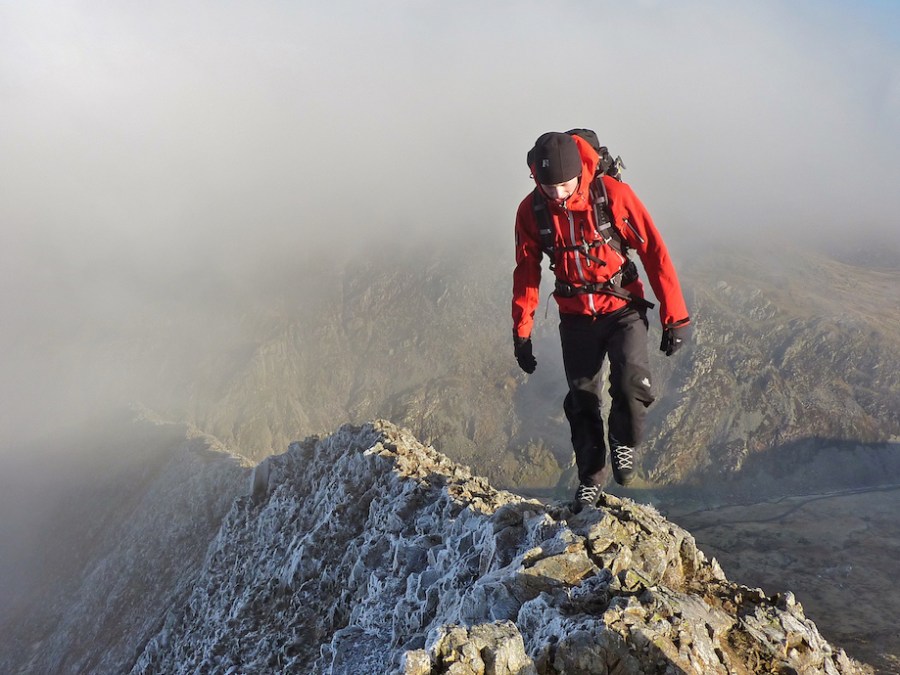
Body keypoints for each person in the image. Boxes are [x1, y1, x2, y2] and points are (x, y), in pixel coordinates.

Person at [511, 131, 690, 512]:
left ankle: (623, 440)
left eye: (563, 185)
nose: (557, 194)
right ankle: (590, 478)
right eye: (547, 186)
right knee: (582, 400)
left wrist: (675, 315)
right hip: (576, 316)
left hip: (622, 306)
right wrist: (521, 332)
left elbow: (654, 250)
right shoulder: (532, 211)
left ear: (580, 174)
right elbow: (526, 270)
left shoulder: (612, 196)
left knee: (630, 381)